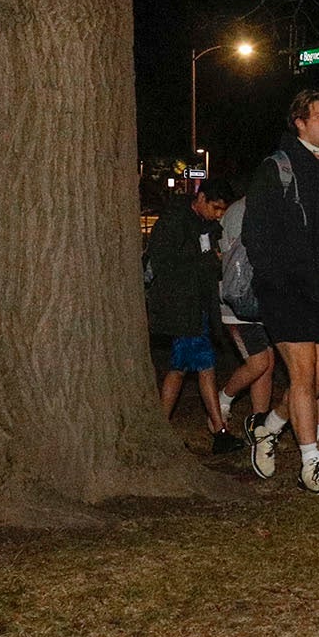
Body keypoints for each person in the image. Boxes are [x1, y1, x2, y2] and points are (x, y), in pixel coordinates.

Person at [238, 90, 319, 493]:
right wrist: (278, 280)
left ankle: (269, 428)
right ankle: (311, 463)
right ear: (300, 122)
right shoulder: (276, 168)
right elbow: (255, 235)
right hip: (286, 293)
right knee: (304, 376)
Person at [146, 178, 230, 447]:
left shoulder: (208, 225)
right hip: (181, 306)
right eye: (215, 207)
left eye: (222, 210)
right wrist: (204, 261)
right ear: (201, 198)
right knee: (190, 366)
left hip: (198, 306)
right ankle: (215, 430)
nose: (218, 214)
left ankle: (216, 429)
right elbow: (162, 260)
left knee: (192, 366)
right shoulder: (175, 220)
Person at [212, 191, 274, 457]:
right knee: (258, 362)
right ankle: (222, 400)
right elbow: (234, 257)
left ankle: (258, 425)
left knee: (267, 365)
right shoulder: (241, 211)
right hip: (238, 303)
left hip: (261, 303)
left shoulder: (270, 207)